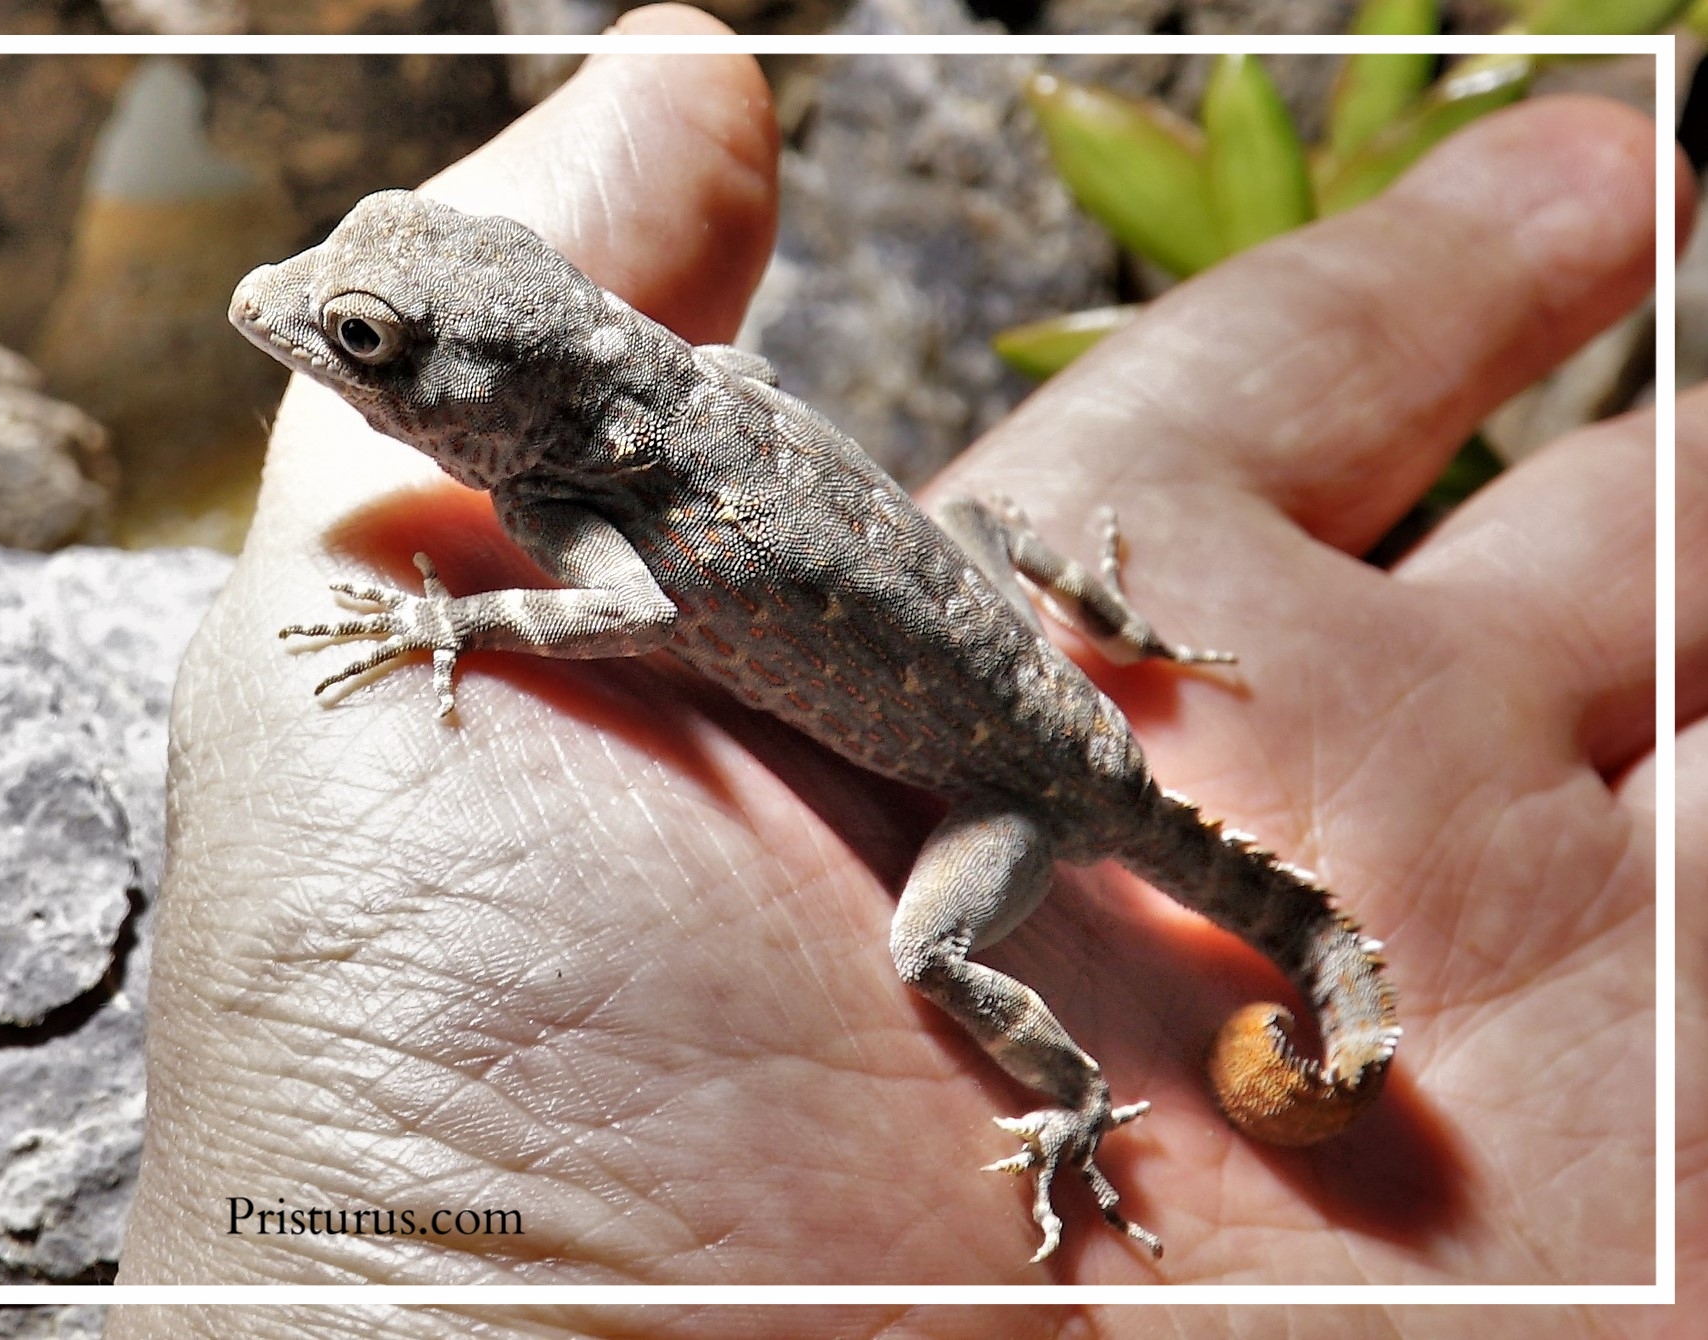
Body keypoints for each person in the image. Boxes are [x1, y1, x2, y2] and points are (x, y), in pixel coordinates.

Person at [105, 3, 1688, 1318]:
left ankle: (1073, 1103)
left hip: (1026, 793)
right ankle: (1110, 630)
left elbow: (633, 613)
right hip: (1025, 677)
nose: (287, 314)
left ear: (491, 380)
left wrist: (458, 621)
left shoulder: (576, 489)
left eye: (364, 337)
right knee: (984, 515)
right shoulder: (637, 401)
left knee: (927, 956)